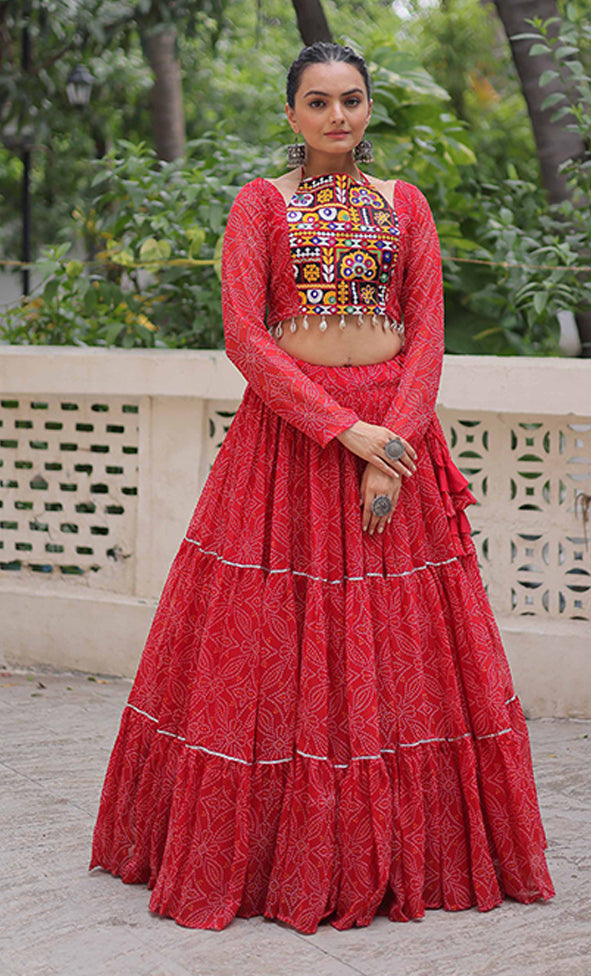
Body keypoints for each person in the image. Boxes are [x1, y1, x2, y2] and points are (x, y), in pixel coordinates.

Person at [89, 41, 555, 934]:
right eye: (318, 101)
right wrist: (345, 432)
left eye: (351, 99)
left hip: (397, 439)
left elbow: (427, 338)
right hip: (292, 444)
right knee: (274, 645)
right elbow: (245, 335)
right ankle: (272, 858)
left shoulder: (404, 206)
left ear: (368, 109)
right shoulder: (262, 205)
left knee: (393, 651)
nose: (337, 116)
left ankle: (397, 853)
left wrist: (391, 446)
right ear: (291, 114)